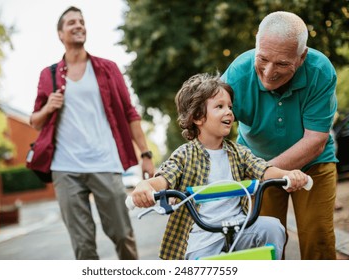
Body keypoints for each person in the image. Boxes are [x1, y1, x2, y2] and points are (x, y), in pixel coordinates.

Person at [130, 73, 309, 260]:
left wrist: (288, 175)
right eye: (220, 107)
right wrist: (147, 186)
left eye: (230, 107)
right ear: (198, 117)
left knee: (273, 228)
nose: (229, 112)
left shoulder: (238, 152)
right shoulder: (185, 155)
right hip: (202, 236)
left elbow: (263, 169)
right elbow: (165, 178)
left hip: (240, 227)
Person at [29, 6, 155, 260]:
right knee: (83, 244)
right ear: (60, 34)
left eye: (81, 21)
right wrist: (48, 107)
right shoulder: (49, 75)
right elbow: (34, 121)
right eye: (71, 22)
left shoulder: (107, 69)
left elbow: (130, 112)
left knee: (122, 234)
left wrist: (146, 154)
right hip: (65, 168)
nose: (78, 25)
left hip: (105, 162)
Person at [221, 11, 338, 260]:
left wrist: (265, 172)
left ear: (302, 56)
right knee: (267, 243)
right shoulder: (236, 77)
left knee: (318, 239)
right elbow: (211, 128)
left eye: (283, 63)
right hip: (257, 164)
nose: (269, 72)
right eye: (263, 58)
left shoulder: (320, 71)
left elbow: (315, 140)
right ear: (256, 44)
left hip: (313, 165)